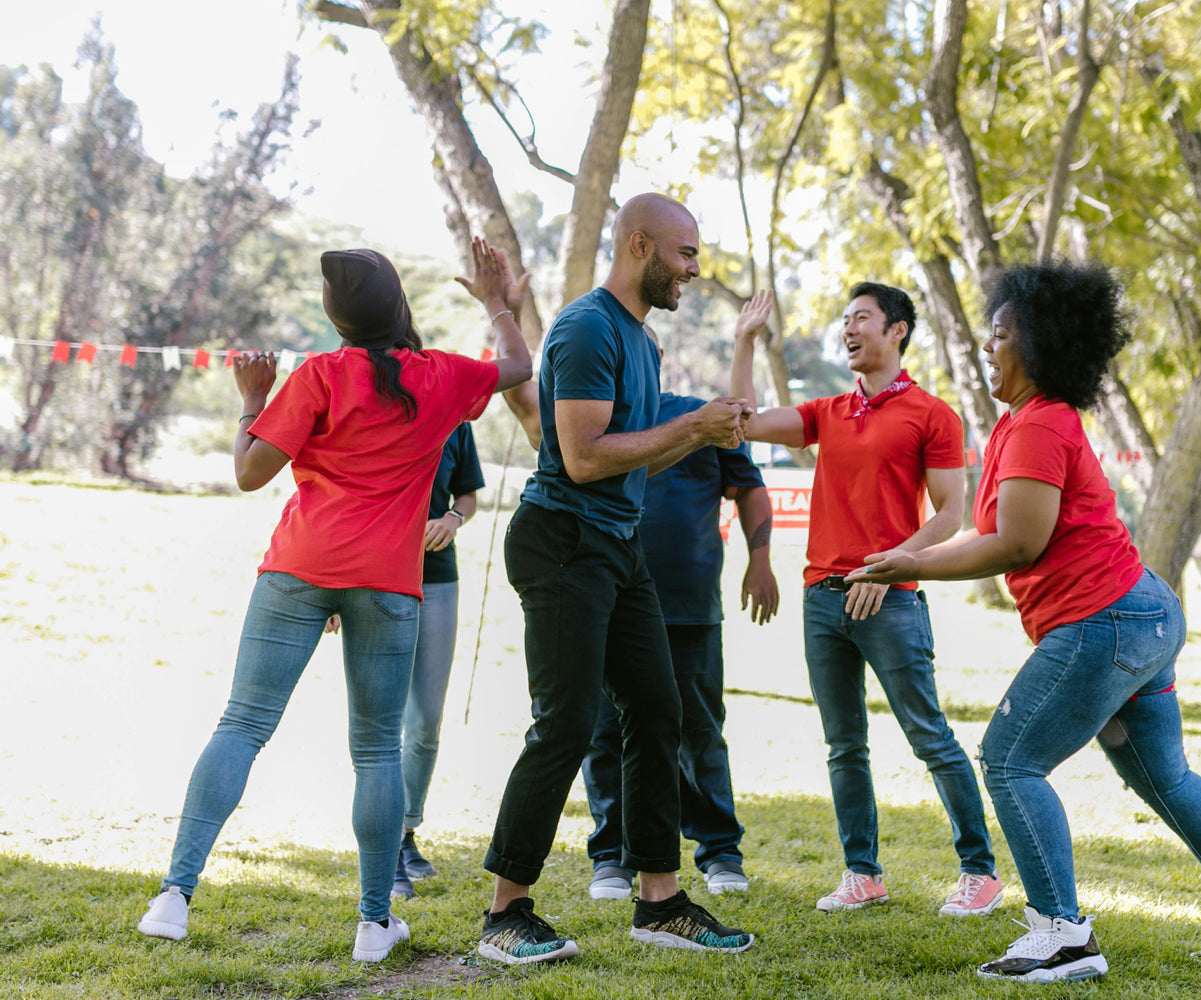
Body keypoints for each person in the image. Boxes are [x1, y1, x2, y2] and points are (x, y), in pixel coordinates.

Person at [854, 260, 1201, 982]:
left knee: (1009, 760)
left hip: (1107, 621)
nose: (986, 346)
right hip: (1139, 615)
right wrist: (909, 554)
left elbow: (1019, 542)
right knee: (1163, 776)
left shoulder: (1038, 427)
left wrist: (909, 566)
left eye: (999, 334)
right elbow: (999, 534)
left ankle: (1062, 934)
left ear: (1037, 344)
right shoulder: (1021, 424)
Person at [136, 239, 533, 962]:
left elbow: (250, 473)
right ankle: (374, 923)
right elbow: (520, 367)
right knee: (378, 749)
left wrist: (253, 400)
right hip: (387, 580)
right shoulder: (440, 375)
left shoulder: (318, 375)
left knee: (242, 725)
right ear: (399, 309)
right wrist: (497, 301)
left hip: (298, 566)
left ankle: (173, 896)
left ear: (336, 320)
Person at [477, 194, 756, 965]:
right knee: (565, 724)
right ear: (640, 245)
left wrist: (697, 433)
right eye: (686, 254)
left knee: (659, 711)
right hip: (564, 540)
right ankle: (506, 912)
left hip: (617, 545)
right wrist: (693, 425)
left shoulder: (643, 341)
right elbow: (582, 456)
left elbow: (643, 454)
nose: (695, 272)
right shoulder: (587, 326)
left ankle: (660, 902)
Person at [730, 285, 1002, 917]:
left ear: (897, 331)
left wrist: (893, 565)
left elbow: (950, 515)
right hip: (821, 600)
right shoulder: (827, 411)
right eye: (844, 319)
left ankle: (979, 872)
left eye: (861, 318)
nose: (848, 328)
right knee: (843, 744)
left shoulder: (933, 415)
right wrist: (745, 340)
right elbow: (738, 420)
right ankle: (862, 873)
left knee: (929, 736)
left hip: (892, 601)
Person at [582, 384, 779, 900]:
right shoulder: (593, 421)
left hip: (688, 602)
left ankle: (719, 851)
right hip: (608, 600)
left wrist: (760, 561)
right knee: (606, 730)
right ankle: (612, 856)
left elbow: (749, 486)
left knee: (699, 731)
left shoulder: (700, 415)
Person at [325, 421, 486, 899]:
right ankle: (387, 850)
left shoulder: (456, 421)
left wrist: (454, 518)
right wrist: (334, 591)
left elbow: (468, 497)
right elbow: (341, 496)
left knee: (426, 722)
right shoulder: (371, 410)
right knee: (382, 727)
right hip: (373, 575)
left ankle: (407, 830)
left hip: (437, 579)